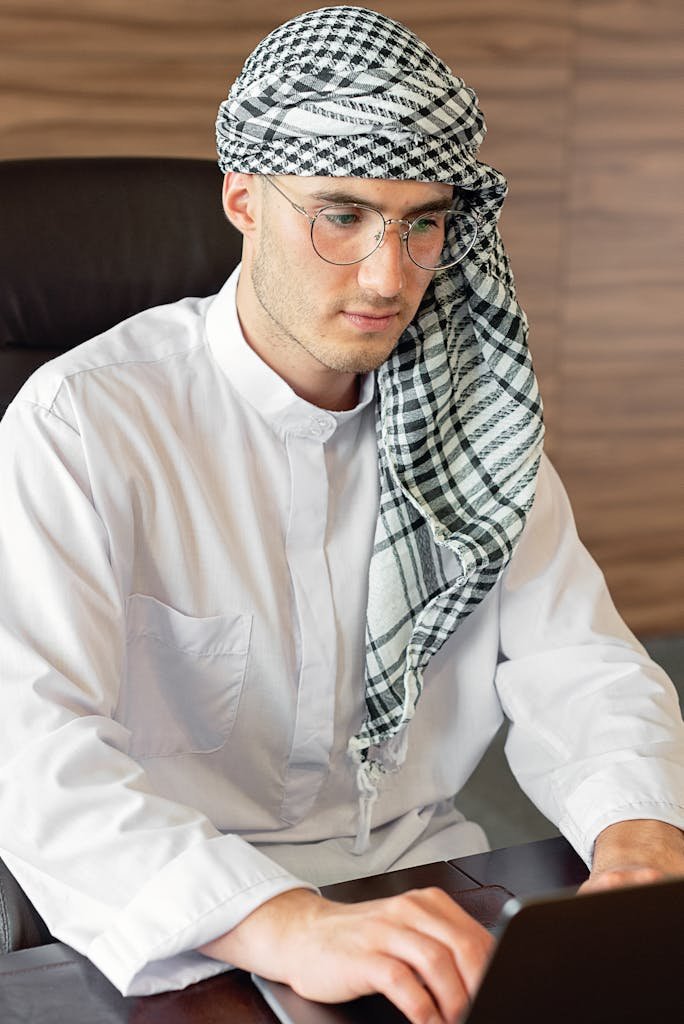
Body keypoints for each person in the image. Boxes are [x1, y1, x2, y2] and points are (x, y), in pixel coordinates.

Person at [0, 7, 683, 1023]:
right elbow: (32, 752)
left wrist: (640, 843)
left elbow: (579, 664)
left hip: (419, 896)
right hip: (171, 922)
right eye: (342, 215)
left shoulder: (474, 419)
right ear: (243, 199)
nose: (388, 276)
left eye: (422, 223)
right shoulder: (81, 422)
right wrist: (286, 925)